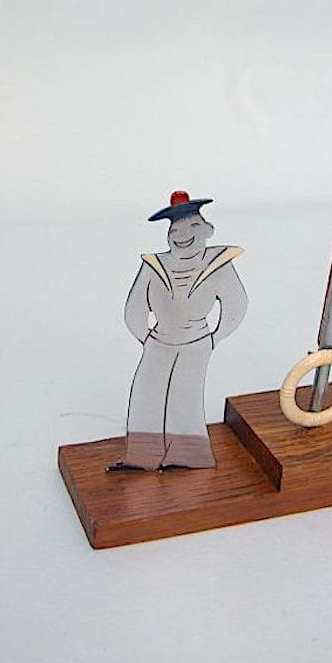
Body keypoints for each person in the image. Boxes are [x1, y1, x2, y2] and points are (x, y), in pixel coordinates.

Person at [108, 191, 247, 472]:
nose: (183, 235)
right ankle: (142, 456)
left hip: (196, 342)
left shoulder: (219, 264)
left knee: (186, 394)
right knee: (146, 393)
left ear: (207, 230)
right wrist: (148, 339)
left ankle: (188, 455)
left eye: (192, 225)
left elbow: (236, 304)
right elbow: (135, 308)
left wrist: (214, 338)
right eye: (175, 229)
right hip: (158, 342)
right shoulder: (154, 266)